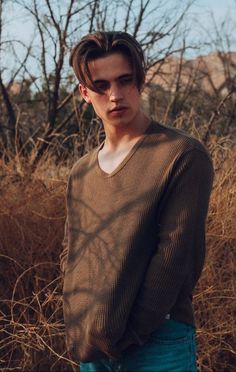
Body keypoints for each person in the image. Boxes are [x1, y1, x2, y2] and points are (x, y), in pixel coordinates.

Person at [60, 31, 214, 371]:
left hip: (158, 339)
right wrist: (81, 326)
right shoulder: (81, 171)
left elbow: (176, 255)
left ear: (140, 81)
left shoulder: (180, 154)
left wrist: (129, 332)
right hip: (94, 343)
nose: (115, 95)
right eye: (101, 86)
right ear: (85, 93)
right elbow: (74, 252)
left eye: (125, 81)